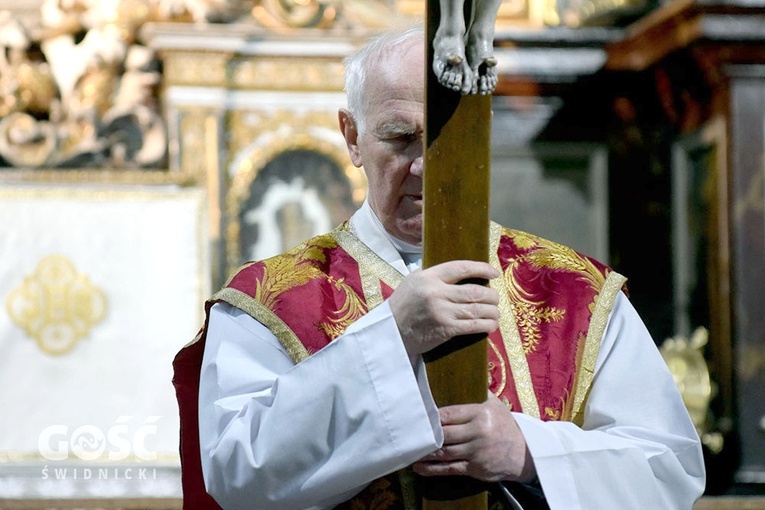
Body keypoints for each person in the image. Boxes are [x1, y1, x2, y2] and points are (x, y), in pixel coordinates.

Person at [172, 28, 706, 510]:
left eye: (446, 140)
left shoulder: (576, 294)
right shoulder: (269, 300)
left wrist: (527, 452)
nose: (425, 164)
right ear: (352, 137)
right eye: (400, 137)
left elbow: (670, 474)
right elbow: (236, 474)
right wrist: (394, 334)